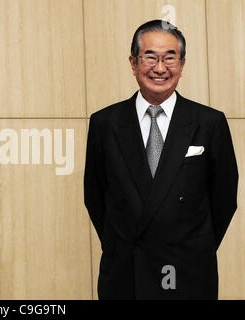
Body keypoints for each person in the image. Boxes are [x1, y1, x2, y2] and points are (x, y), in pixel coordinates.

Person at [84, 20, 238, 299]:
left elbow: (224, 199)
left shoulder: (209, 123)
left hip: (188, 273)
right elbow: (95, 197)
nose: (159, 68)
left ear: (182, 64)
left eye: (170, 58)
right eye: (150, 57)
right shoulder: (104, 123)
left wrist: (192, 246)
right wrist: (124, 244)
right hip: (126, 272)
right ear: (133, 63)